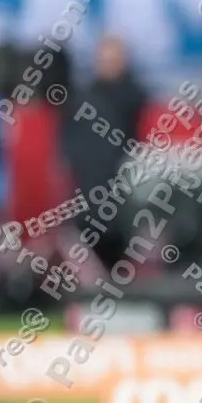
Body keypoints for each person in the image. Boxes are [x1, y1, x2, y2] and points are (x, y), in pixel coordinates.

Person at [60, 34, 147, 270]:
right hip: (86, 198)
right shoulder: (80, 101)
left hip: (125, 198)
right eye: (103, 59)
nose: (107, 64)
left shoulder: (137, 99)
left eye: (113, 58)